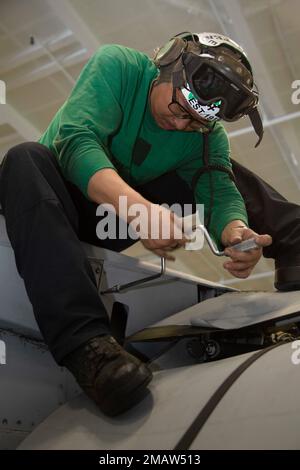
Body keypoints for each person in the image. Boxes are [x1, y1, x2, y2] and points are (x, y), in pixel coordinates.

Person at [0, 32, 298, 416]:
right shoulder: (120, 66)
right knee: (24, 157)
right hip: (46, 198)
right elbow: (75, 142)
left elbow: (218, 189)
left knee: (219, 167)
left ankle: (294, 243)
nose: (180, 124)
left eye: (195, 121)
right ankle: (88, 349)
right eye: (180, 108)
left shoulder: (205, 136)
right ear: (167, 66)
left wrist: (236, 231)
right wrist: (136, 208)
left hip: (102, 222)